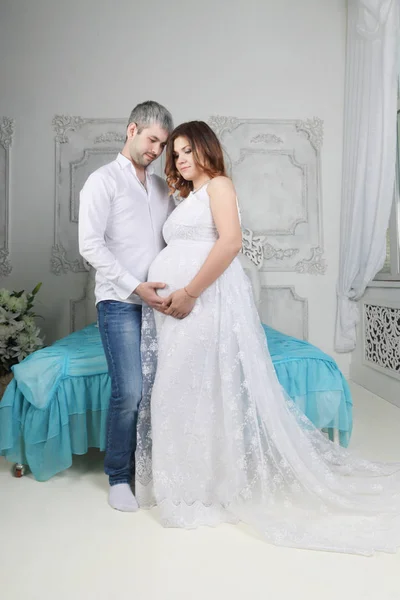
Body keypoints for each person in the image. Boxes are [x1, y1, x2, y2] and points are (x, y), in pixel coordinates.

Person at [135, 120, 400, 555]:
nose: (179, 159)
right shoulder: (187, 195)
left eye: (186, 150)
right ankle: (188, 486)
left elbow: (230, 243)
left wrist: (187, 293)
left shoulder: (219, 185)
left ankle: (203, 491)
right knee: (180, 391)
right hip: (178, 311)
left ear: (206, 149)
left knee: (190, 390)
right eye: (175, 153)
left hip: (199, 305)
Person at [79, 101, 174, 512]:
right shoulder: (101, 181)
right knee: (130, 389)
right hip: (120, 302)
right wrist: (136, 286)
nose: (156, 149)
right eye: (152, 139)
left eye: (163, 144)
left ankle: (151, 468)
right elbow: (89, 245)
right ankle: (118, 475)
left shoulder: (160, 186)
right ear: (132, 129)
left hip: (161, 304)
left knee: (159, 389)